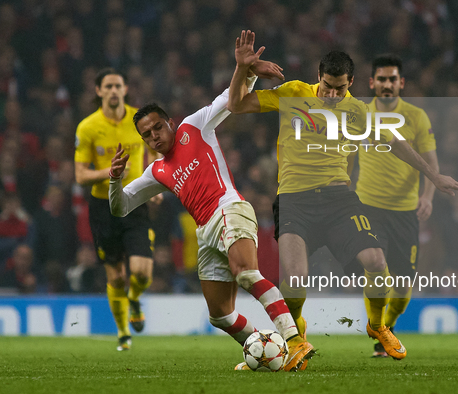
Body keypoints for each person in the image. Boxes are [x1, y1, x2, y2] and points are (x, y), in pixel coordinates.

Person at [227, 31, 458, 360]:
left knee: (377, 261)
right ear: (318, 77)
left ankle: (377, 325)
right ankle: (296, 327)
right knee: (295, 281)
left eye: (340, 87)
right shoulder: (294, 93)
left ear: (351, 82)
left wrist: (433, 176)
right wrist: (244, 69)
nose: (332, 94)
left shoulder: (357, 111)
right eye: (327, 85)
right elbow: (237, 104)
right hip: (295, 199)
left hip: (340, 200)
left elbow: (397, 142)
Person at [108, 36, 315, 372]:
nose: (155, 136)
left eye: (158, 127)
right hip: (206, 230)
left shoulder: (195, 126)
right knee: (220, 314)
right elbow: (121, 207)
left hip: (230, 209)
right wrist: (115, 181)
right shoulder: (156, 171)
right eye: (147, 134)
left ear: (170, 122)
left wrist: (245, 68)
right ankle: (264, 352)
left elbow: (229, 100)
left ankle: (293, 340)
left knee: (247, 273)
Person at [354, 54, 439, 357]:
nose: (386, 84)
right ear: (372, 82)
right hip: (369, 206)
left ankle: (385, 328)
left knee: (402, 288)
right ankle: (377, 324)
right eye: (381, 79)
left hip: (405, 211)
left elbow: (431, 165)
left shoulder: (416, 117)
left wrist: (427, 196)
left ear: (401, 83)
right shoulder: (360, 114)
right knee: (374, 264)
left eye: (392, 79)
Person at [75, 68, 156, 351]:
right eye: (107, 86)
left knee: (142, 272)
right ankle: (123, 332)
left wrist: (158, 179)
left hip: (134, 200)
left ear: (125, 89)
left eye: (117, 86)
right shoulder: (87, 127)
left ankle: (134, 298)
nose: (112, 91)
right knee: (116, 276)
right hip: (102, 207)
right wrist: (110, 173)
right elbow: (81, 176)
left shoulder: (140, 120)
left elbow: (157, 149)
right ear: (98, 91)